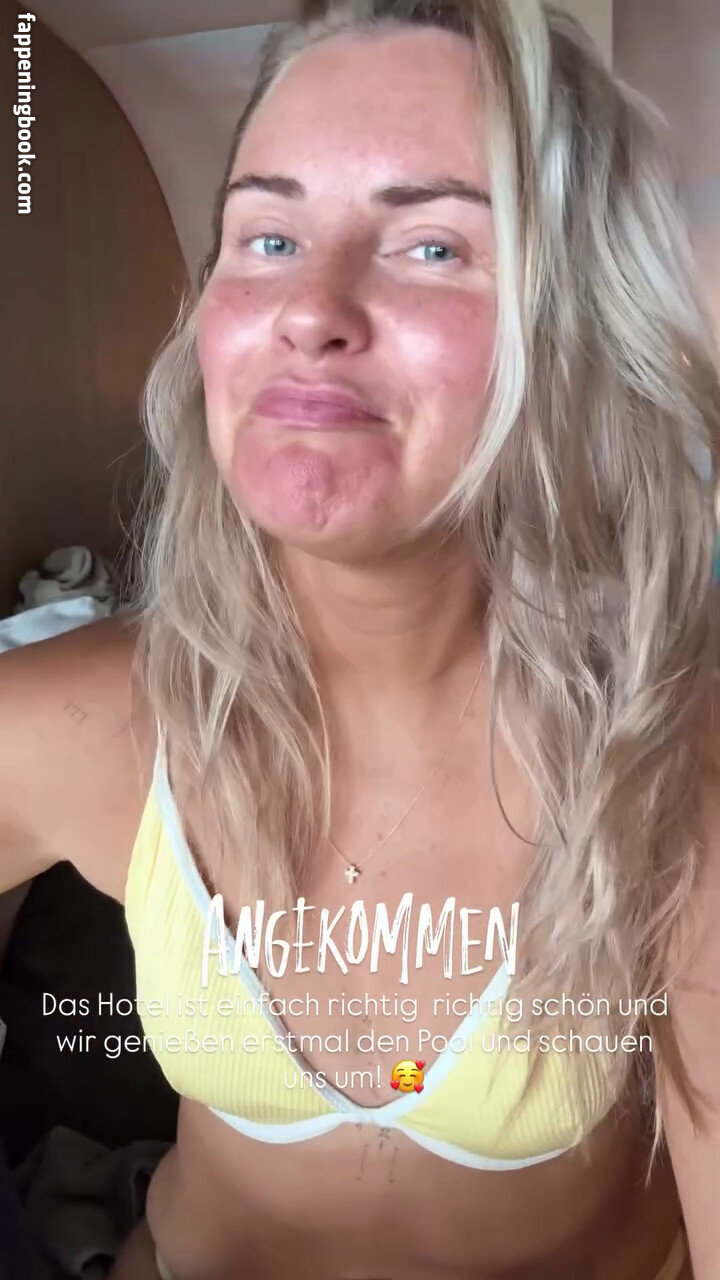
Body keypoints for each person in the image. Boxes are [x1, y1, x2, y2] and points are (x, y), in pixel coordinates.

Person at [2, 0, 720, 1276]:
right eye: (269, 237)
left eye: (432, 245)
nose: (309, 308)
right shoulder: (82, 721)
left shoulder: (677, 770)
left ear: (581, 333)